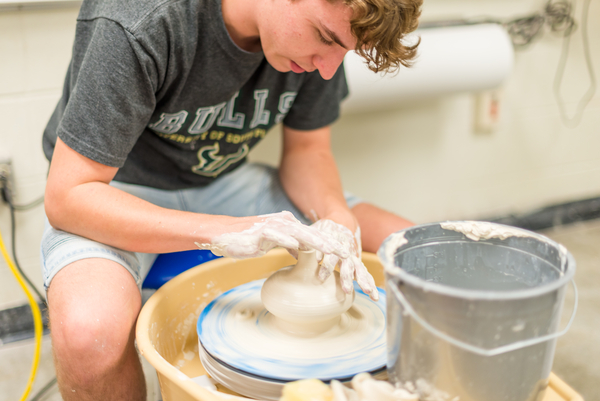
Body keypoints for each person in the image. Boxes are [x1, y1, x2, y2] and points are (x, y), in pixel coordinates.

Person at [40, 0, 422, 397]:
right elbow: (70, 195)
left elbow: (308, 152)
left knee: (414, 253)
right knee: (89, 336)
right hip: (114, 189)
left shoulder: (326, 25)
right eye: (325, 39)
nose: (327, 68)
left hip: (226, 179)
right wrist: (228, 231)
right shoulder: (141, 18)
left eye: (342, 51)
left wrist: (335, 215)